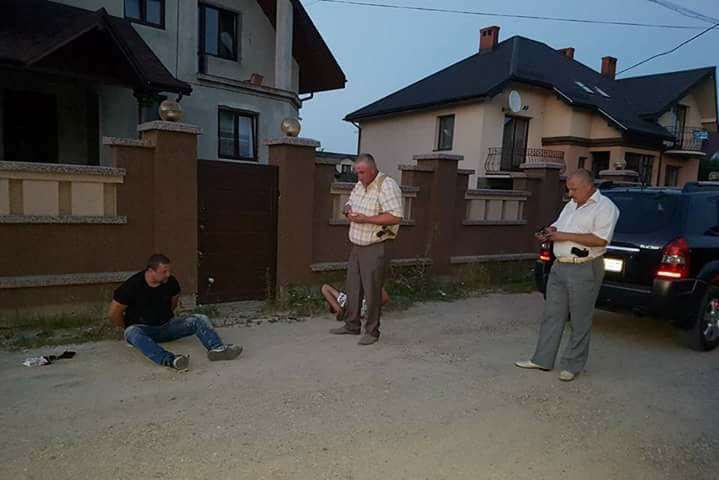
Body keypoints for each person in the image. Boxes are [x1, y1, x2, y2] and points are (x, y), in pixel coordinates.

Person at [515, 169, 619, 381]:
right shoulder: (571, 205)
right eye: (568, 189)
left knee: (580, 319)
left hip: (585, 266)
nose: (570, 194)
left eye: (574, 189)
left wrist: (562, 235)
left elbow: (600, 239)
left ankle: (572, 365)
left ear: (589, 187)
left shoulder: (606, 207)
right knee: (552, 315)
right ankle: (542, 360)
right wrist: (549, 231)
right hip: (560, 266)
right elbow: (559, 227)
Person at [108, 254, 242, 370]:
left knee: (198, 319)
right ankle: (171, 360)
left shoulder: (170, 282)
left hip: (168, 326)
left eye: (169, 271)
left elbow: (174, 301)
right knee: (132, 332)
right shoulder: (132, 286)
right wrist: (128, 328)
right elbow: (113, 313)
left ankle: (217, 349)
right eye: (164, 271)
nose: (168, 274)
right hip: (144, 330)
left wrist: (165, 317)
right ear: (151, 271)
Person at [330, 153, 403, 345]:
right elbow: (350, 202)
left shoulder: (386, 185)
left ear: (373, 169)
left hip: (374, 246)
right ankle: (352, 325)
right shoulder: (359, 185)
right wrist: (347, 209)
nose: (359, 176)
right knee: (353, 287)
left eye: (362, 172)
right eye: (357, 172)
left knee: (372, 291)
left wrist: (366, 219)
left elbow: (395, 217)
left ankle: (372, 331)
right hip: (357, 244)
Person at [321, 284, 390, 321]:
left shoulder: (344, 300)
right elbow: (325, 288)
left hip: (361, 308)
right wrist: (338, 309)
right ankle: (339, 310)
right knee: (324, 287)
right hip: (357, 306)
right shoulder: (343, 300)